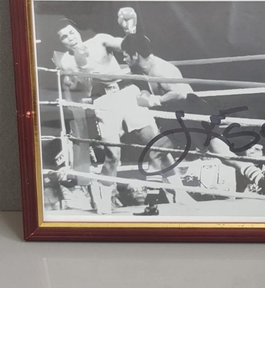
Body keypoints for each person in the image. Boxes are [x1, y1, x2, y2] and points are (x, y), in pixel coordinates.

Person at [51, 17, 190, 215]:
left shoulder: (100, 40)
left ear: (77, 30)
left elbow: (126, 44)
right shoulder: (66, 60)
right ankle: (106, 201)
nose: (70, 38)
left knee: (155, 143)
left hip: (127, 92)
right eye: (64, 37)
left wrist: (130, 30)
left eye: (71, 32)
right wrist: (72, 78)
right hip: (103, 101)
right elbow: (75, 84)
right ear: (61, 42)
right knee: (112, 155)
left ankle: (180, 192)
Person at [121, 33, 265, 194]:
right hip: (191, 111)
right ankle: (262, 180)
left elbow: (179, 94)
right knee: (222, 153)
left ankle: (152, 202)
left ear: (136, 54)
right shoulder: (146, 68)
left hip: (188, 111)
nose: (124, 59)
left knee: (156, 152)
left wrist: (153, 101)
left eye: (126, 55)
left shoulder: (158, 69)